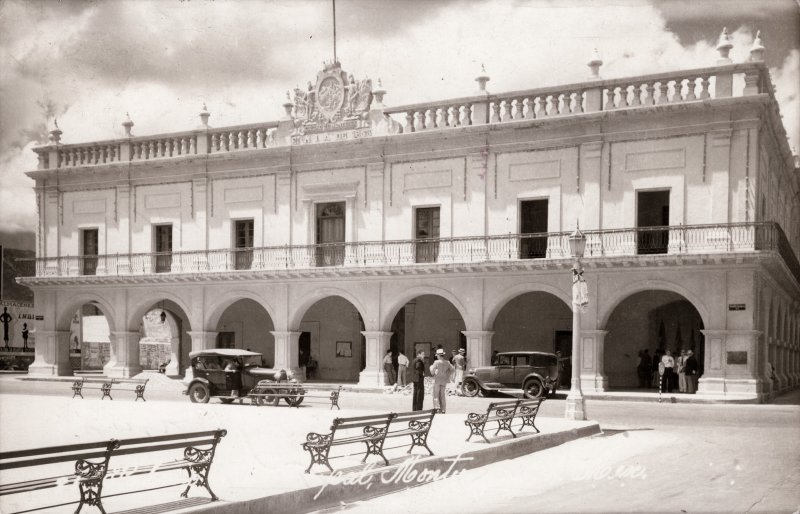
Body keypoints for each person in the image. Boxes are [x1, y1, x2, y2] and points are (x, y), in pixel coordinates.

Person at [429, 348, 454, 413]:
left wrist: (433, 372)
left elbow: (432, 371)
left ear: (439, 355)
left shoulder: (436, 362)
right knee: (442, 395)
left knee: (436, 395)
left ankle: (437, 408)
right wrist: (447, 374)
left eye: (437, 355)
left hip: (437, 380)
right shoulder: (447, 362)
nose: (436, 356)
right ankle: (443, 409)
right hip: (444, 380)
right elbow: (452, 370)